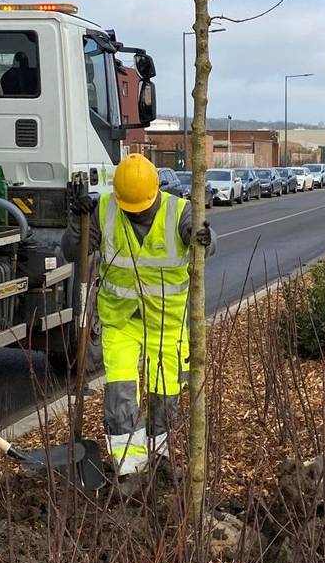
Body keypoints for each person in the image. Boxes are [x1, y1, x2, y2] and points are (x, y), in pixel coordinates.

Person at [66, 154, 215, 493]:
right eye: (129, 208)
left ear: (156, 194)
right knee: (120, 392)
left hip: (166, 324)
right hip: (119, 321)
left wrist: (204, 237)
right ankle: (129, 469)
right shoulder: (104, 210)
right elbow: (71, 253)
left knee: (165, 394)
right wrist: (78, 222)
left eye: (141, 208)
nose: (135, 213)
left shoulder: (180, 212)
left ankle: (159, 461)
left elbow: (208, 240)